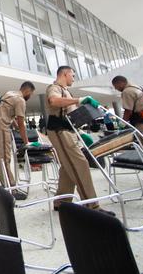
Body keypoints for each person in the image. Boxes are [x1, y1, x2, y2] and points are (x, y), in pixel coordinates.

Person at [46, 66, 115, 216]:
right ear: (64, 74)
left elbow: (72, 115)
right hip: (60, 131)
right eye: (72, 75)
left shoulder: (67, 92)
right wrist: (80, 99)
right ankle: (92, 206)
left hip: (69, 131)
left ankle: (61, 202)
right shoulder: (54, 88)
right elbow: (53, 101)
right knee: (80, 164)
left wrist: (81, 131)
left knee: (67, 166)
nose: (74, 78)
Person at [0, 81, 36, 200]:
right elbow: (21, 122)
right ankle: (11, 189)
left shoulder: (9, 93)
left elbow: (9, 115)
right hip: (0, 126)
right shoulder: (20, 100)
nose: (30, 96)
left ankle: (1, 186)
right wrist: (26, 142)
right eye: (31, 94)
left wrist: (16, 127)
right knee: (4, 158)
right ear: (28, 91)